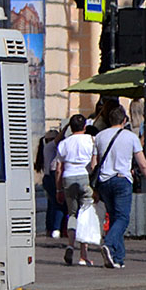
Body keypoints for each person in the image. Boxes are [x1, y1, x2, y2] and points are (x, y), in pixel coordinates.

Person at [93, 104, 146, 269]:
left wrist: (94, 187)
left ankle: (117, 258)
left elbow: (94, 163)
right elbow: (142, 163)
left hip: (104, 181)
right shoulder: (130, 137)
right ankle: (108, 244)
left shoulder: (99, 136)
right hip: (122, 180)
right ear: (124, 120)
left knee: (114, 217)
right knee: (123, 218)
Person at [54, 114, 97, 266]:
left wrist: (59, 189)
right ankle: (83, 254)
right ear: (85, 126)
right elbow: (93, 164)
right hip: (85, 177)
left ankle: (70, 245)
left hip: (68, 177)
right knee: (85, 214)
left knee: (72, 214)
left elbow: (59, 168)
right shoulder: (91, 140)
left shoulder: (64, 143)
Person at [35, 128, 62, 238]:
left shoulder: (45, 148)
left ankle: (49, 228)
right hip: (52, 176)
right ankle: (56, 228)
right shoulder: (51, 146)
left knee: (51, 204)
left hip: (47, 178)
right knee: (58, 204)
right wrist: (65, 128)